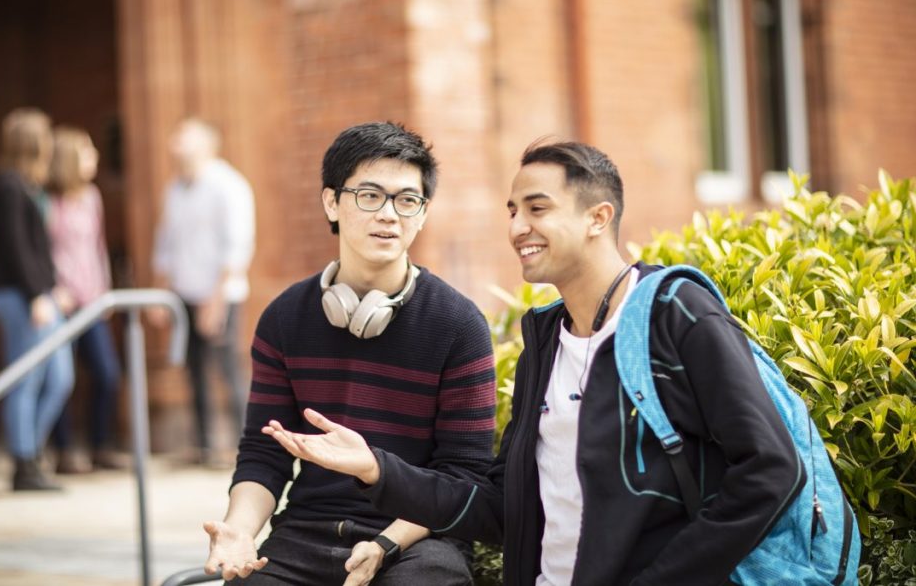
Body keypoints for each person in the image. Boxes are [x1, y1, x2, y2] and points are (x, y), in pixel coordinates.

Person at [262, 140, 804, 585]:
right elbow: (503, 508)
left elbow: (772, 471)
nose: (518, 226)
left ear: (598, 217)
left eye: (537, 208)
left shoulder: (677, 315)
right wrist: (378, 469)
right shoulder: (545, 341)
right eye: (513, 210)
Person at [202, 121, 497, 585]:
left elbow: (464, 477)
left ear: (422, 214)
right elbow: (264, 453)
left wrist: (383, 545)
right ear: (331, 202)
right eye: (370, 195)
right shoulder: (283, 319)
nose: (389, 214)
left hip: (416, 540)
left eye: (407, 200)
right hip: (305, 534)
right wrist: (238, 532)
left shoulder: (459, 325)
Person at [0, 107, 75, 492]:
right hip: (19, 297)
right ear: (33, 142)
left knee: (59, 378)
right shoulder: (7, 187)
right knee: (26, 379)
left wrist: (51, 288)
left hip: (37, 295)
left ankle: (31, 453)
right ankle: (24, 464)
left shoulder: (25, 186)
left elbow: (37, 250)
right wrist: (38, 293)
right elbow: (15, 248)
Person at [152, 118, 256, 465]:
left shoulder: (228, 185)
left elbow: (237, 245)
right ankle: (205, 445)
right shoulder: (175, 188)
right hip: (184, 292)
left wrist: (216, 300)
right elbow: (167, 243)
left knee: (227, 370)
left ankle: (248, 448)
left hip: (219, 293)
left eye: (185, 136)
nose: (176, 141)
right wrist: (161, 292)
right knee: (193, 371)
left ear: (208, 145)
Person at [46, 127, 126, 474]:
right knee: (61, 379)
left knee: (108, 374)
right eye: (87, 152)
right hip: (61, 303)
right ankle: (63, 450)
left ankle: (100, 445)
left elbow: (97, 247)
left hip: (92, 301)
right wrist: (52, 289)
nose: (94, 157)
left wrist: (105, 290)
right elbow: (42, 252)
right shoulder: (47, 201)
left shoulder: (92, 196)